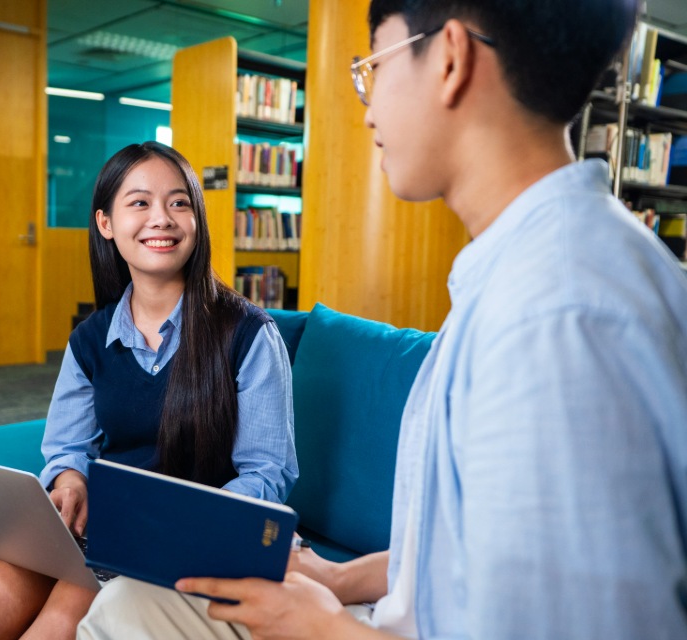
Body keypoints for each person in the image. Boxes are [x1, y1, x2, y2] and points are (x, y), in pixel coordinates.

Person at [77, 1, 687, 638]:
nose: (366, 107)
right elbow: (473, 550)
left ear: (449, 57)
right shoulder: (535, 267)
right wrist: (338, 582)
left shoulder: (559, 314)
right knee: (126, 607)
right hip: (387, 615)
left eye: (373, 66)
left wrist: (325, 629)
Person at [0, 141, 299, 639]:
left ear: (197, 219)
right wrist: (69, 482)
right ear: (106, 223)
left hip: (182, 539)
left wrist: (189, 521)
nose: (162, 218)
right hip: (98, 525)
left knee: (59, 619)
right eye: (140, 202)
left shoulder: (249, 333)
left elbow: (268, 472)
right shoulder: (90, 339)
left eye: (179, 202)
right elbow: (66, 447)